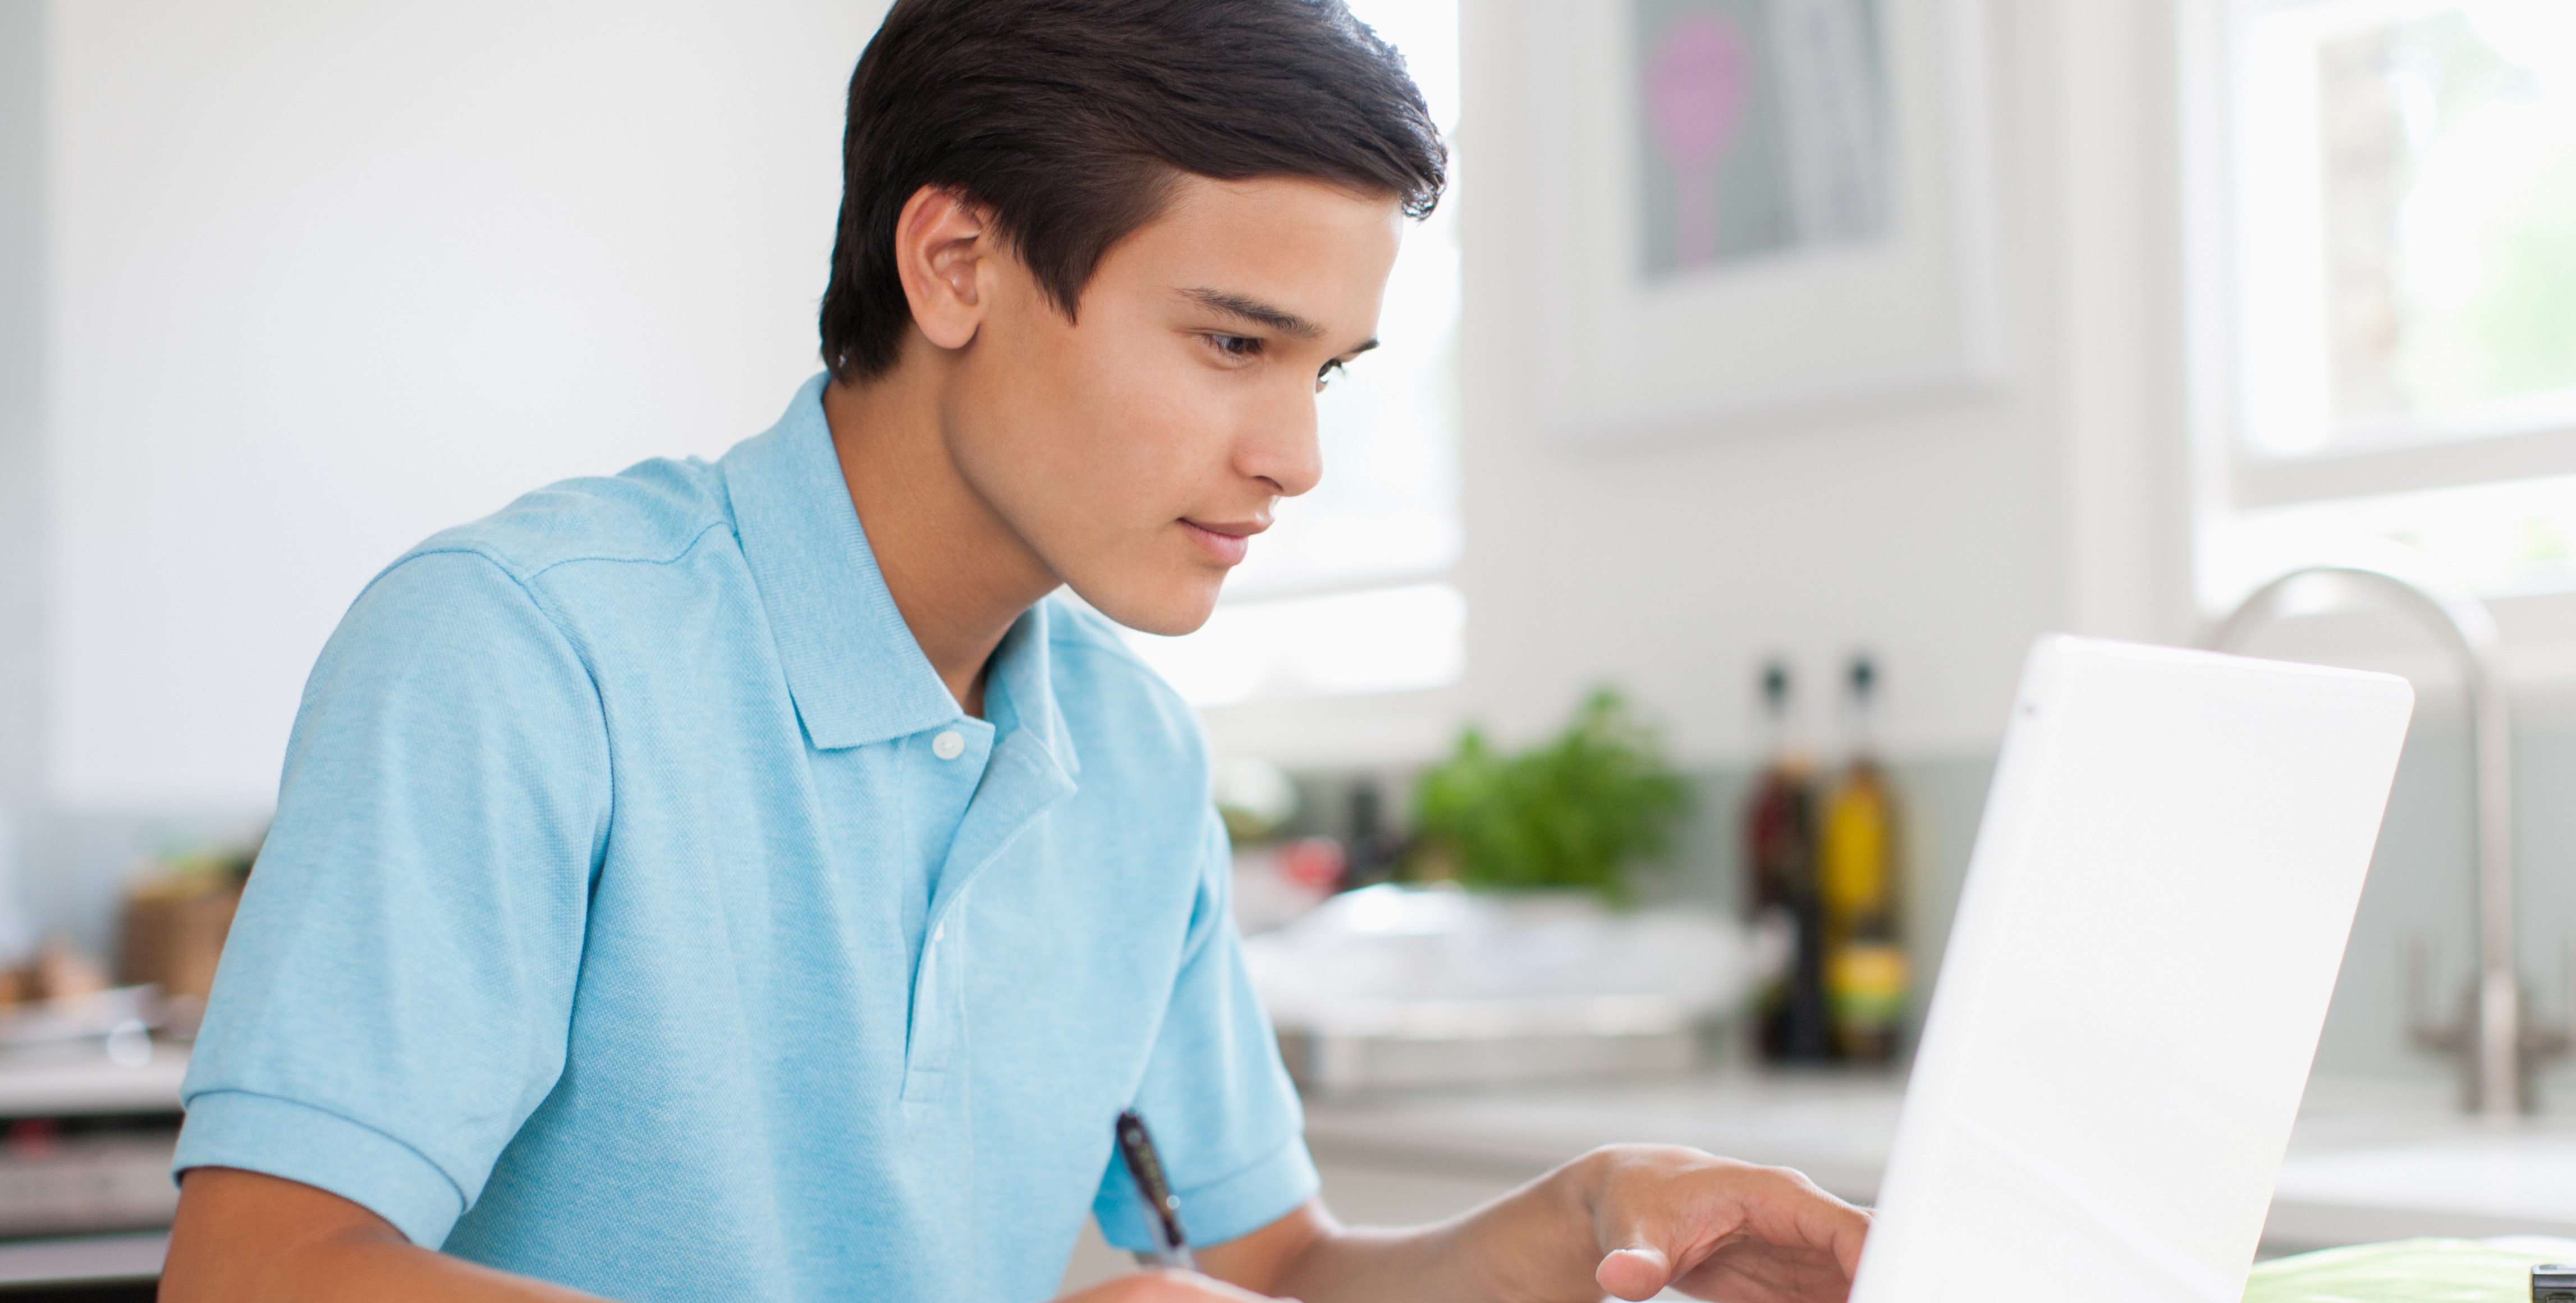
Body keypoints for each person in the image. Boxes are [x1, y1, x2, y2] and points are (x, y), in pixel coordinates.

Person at [158, 2, 1871, 1300]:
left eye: (1327, 371)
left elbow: (1264, 1262)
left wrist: (1584, 1215)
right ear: (956, 262)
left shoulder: (1130, 757)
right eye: (1229, 341)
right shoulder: (520, 650)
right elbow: (263, 1270)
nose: (1295, 453)